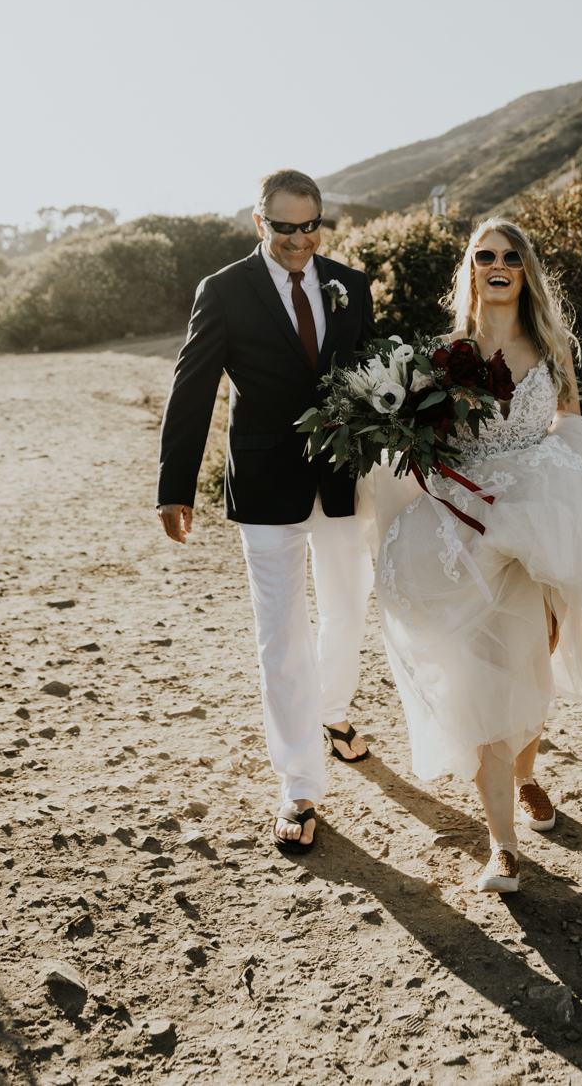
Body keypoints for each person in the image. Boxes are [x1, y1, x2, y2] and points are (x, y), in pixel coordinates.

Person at [366, 219, 582, 893]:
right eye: (484, 255)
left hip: (538, 528)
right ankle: (502, 848)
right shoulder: (441, 355)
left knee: (531, 669)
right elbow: (420, 448)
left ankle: (525, 777)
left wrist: (570, 513)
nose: (497, 264)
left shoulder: (551, 346)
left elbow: (569, 427)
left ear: (525, 270)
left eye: (510, 257)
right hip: (465, 533)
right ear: (468, 269)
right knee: (486, 677)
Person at [156, 169, 377, 853]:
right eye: (285, 227)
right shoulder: (222, 291)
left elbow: (373, 377)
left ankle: (332, 715)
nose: (300, 240)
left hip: (343, 480)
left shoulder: (351, 285)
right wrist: (175, 484)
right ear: (260, 224)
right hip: (264, 484)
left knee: (348, 608)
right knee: (281, 634)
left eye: (311, 226)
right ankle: (300, 784)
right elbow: (192, 384)